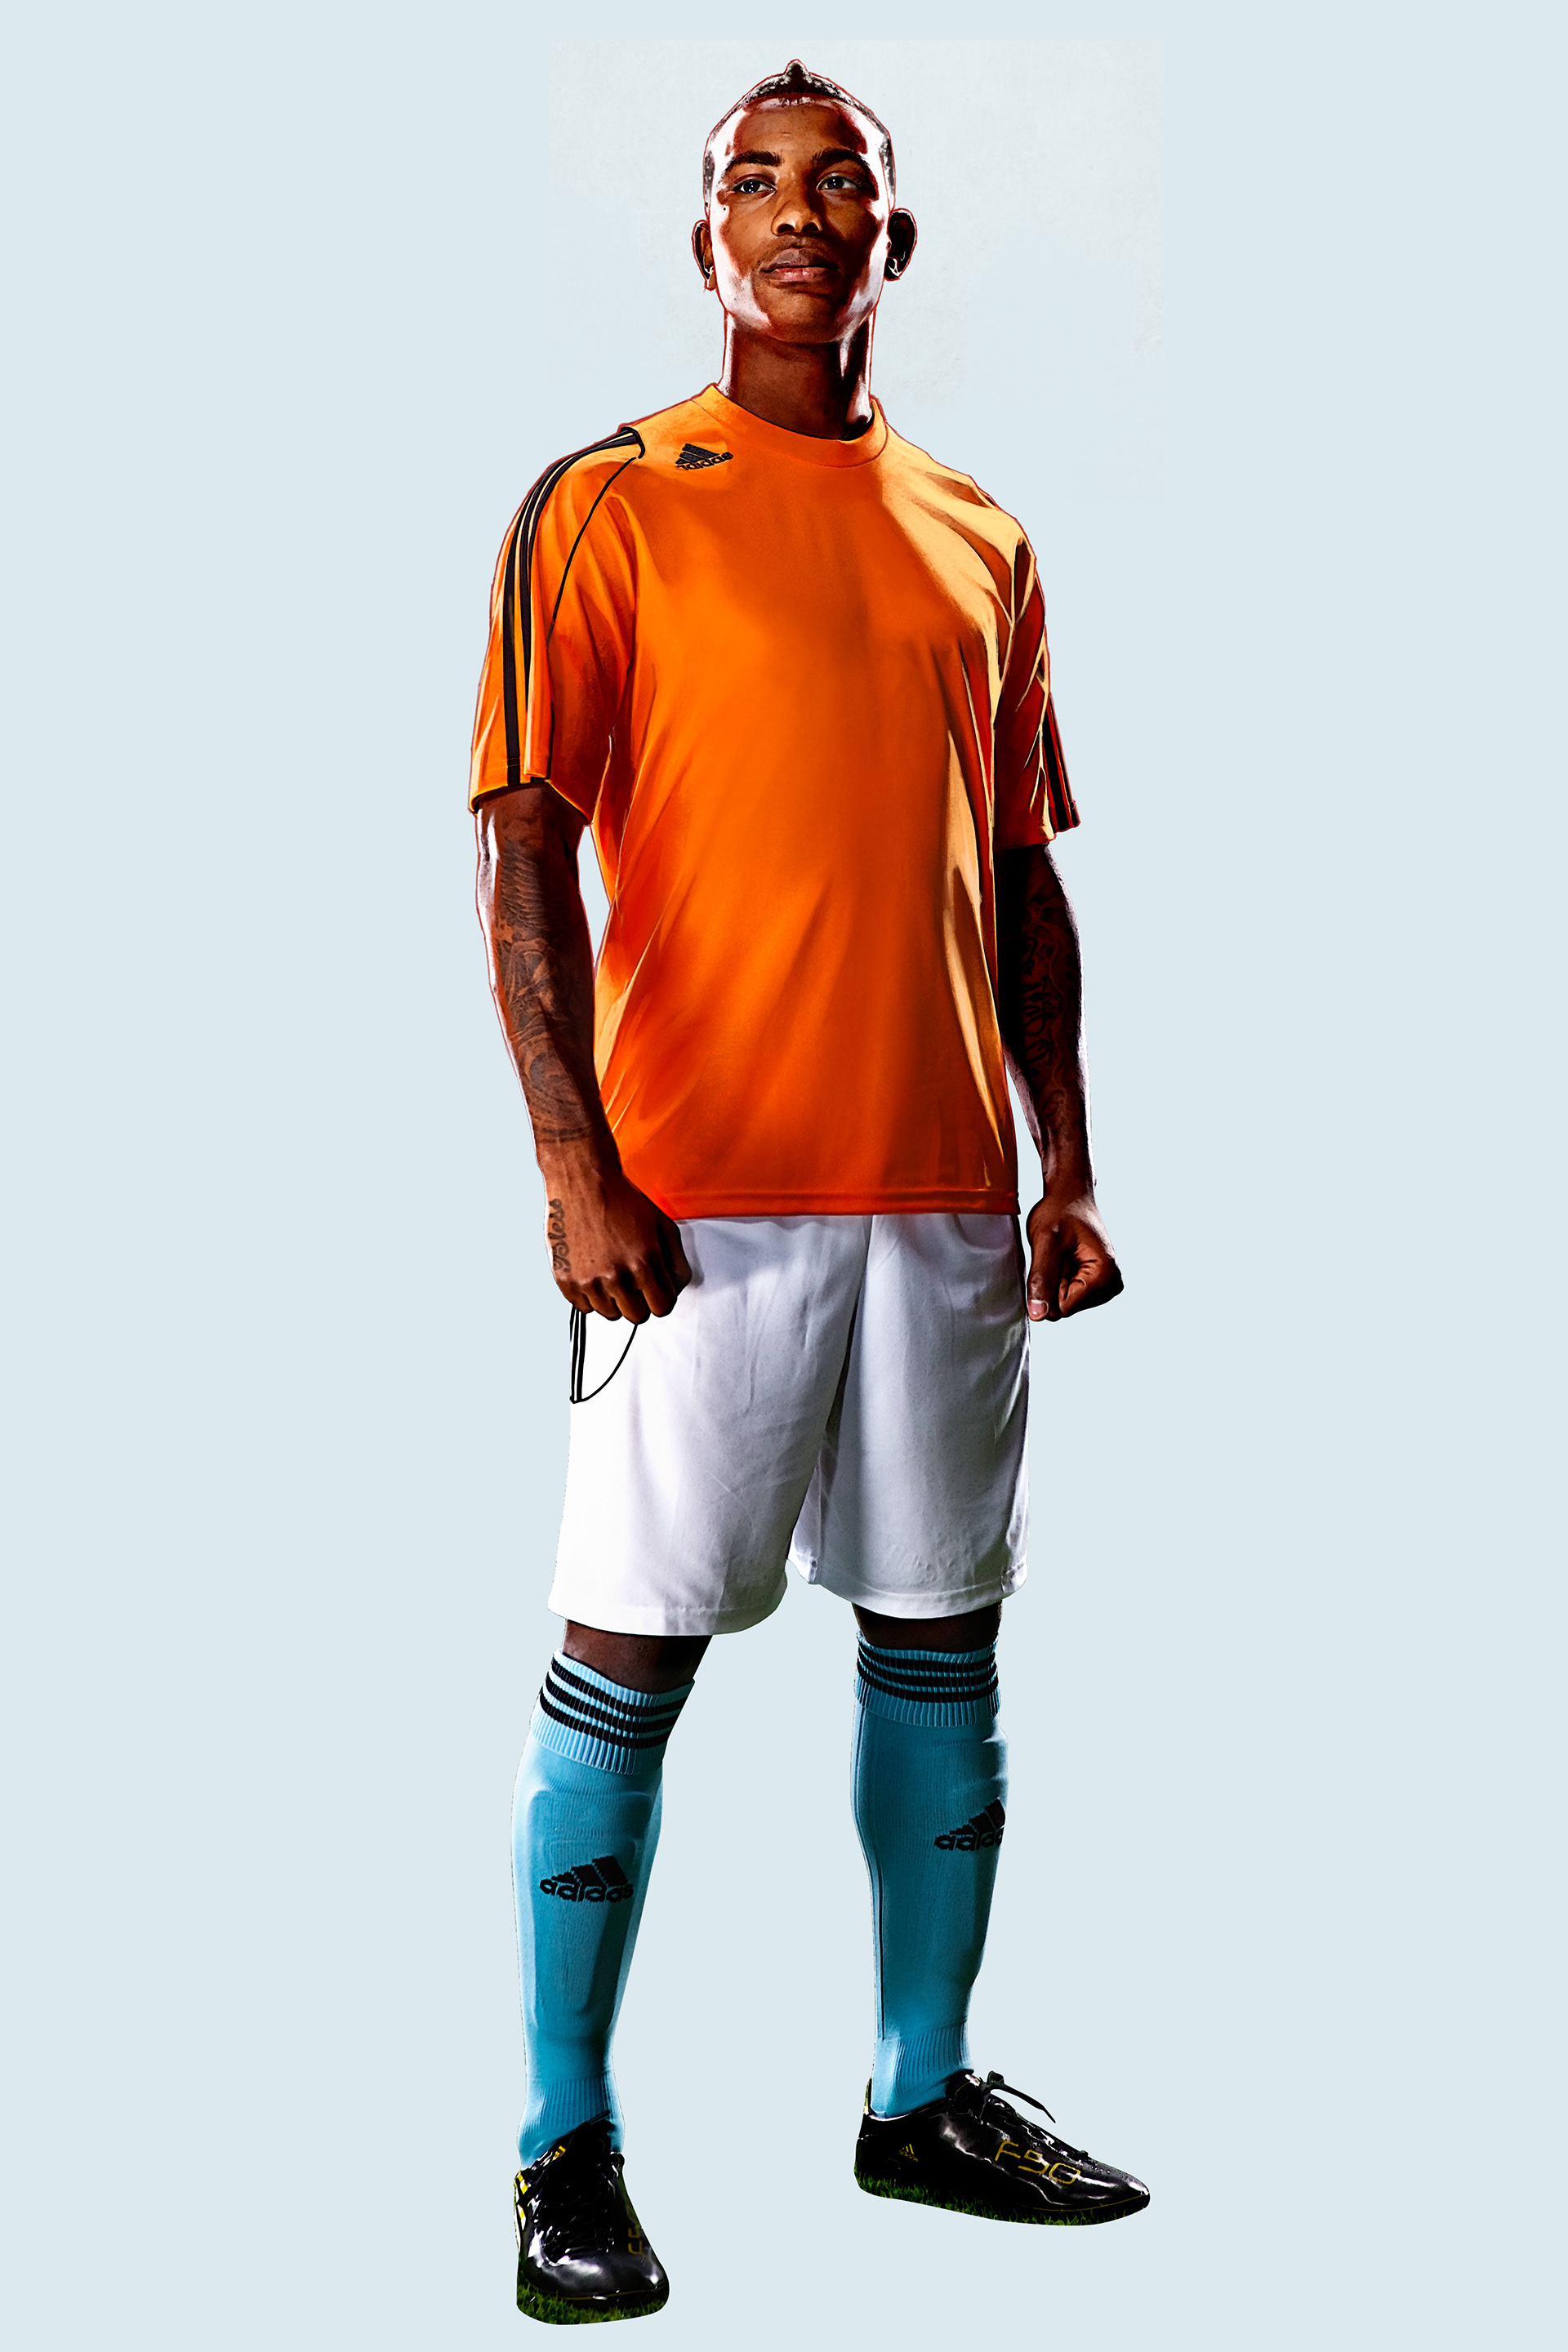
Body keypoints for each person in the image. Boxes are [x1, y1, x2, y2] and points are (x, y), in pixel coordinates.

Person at [470, 59, 1149, 2327]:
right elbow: (522, 852)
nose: (796, 212)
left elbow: (1022, 877)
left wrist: (1069, 1162)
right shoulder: (605, 505)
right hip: (699, 1201)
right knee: (628, 1656)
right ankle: (563, 2143)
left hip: (945, 1196)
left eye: (837, 182)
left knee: (943, 1637)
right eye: (752, 183)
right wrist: (570, 1159)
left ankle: (920, 2094)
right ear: (705, 241)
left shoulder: (982, 536)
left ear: (892, 241)